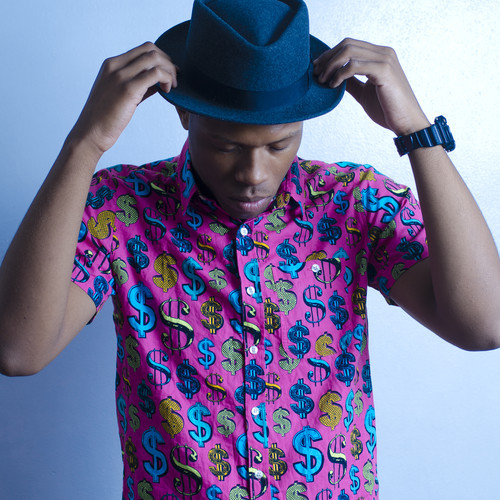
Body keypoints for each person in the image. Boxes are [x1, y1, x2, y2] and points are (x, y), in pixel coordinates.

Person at [0, 0, 498, 498]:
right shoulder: (120, 209)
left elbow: (485, 324)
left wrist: (417, 132)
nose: (253, 175)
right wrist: (85, 143)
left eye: (279, 145)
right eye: (227, 146)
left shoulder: (355, 203)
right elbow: (18, 350)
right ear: (185, 113)